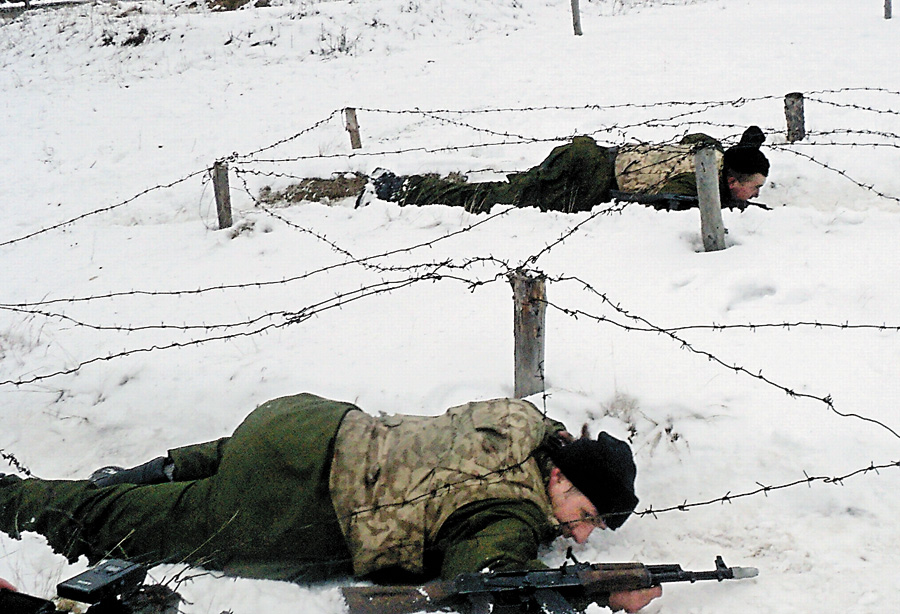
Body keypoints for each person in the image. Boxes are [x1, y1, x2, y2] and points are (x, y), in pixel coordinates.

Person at [0, 393, 660, 612]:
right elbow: (488, 581)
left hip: (303, 425)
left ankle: (157, 470)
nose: (581, 537)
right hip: (292, 505)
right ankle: (11, 502)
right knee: (106, 526)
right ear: (561, 483)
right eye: (586, 518)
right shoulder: (512, 511)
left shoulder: (521, 422)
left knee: (165, 490)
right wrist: (596, 590)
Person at [356, 126, 770, 213]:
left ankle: (405, 186)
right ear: (730, 181)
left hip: (590, 157)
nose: (755, 195)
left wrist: (746, 147)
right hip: (584, 178)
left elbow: (701, 137)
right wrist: (731, 206)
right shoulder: (696, 185)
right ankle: (395, 190)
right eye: (752, 189)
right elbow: (671, 202)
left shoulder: (710, 155)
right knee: (491, 199)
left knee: (504, 188)